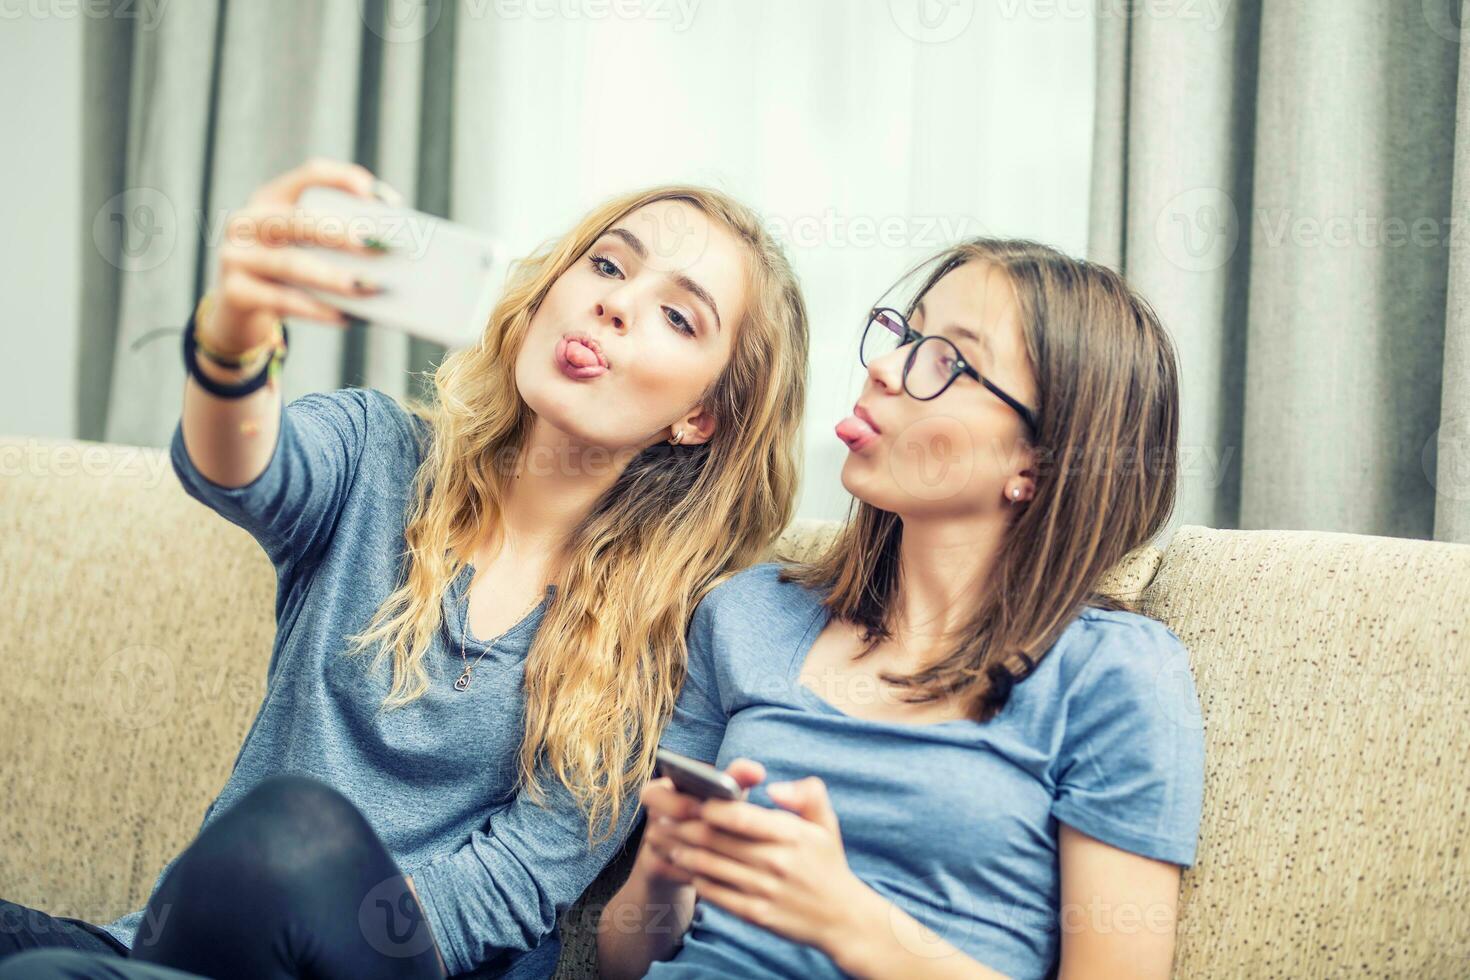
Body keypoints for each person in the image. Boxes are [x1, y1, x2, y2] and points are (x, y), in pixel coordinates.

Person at [0, 157, 808, 979]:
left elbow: (518, 881)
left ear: (700, 417)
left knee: (292, 835)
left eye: (677, 315)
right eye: (606, 264)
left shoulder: (663, 627)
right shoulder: (374, 453)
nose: (616, 302)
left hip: (397, 962)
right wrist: (237, 324)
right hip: (182, 947)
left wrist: (313, 906)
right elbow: (235, 466)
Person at [599, 238, 1205, 979]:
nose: (884, 368)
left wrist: (847, 920)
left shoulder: (1113, 674)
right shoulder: (748, 613)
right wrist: (663, 872)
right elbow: (625, 961)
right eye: (906, 335)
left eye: (947, 360)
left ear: (1037, 463)